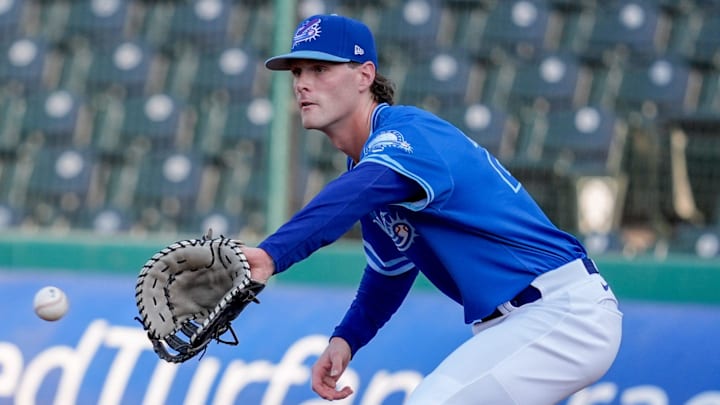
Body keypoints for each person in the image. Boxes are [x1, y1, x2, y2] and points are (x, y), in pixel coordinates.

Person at [242, 14, 623, 404]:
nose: (302, 82)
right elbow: (389, 270)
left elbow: (353, 193)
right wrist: (347, 338)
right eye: (297, 71)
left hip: (560, 312)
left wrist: (273, 253)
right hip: (521, 322)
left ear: (364, 75)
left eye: (320, 68)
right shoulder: (369, 166)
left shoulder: (404, 136)